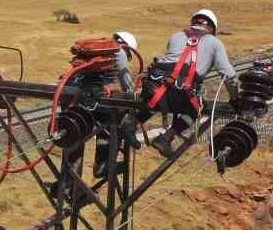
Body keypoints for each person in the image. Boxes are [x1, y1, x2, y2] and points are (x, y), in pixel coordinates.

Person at [142, 9, 238, 158]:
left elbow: (173, 61)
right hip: (180, 92)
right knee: (195, 110)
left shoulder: (176, 35)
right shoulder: (214, 42)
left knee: (157, 99)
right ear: (212, 28)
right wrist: (235, 97)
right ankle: (166, 138)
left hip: (155, 84)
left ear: (193, 23)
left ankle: (131, 122)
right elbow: (229, 75)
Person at [91, 31, 141, 177]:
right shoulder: (119, 51)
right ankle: (128, 131)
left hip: (85, 98)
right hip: (97, 98)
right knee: (121, 118)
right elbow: (125, 80)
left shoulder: (101, 49)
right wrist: (134, 96)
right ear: (127, 47)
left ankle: (100, 163)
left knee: (104, 126)